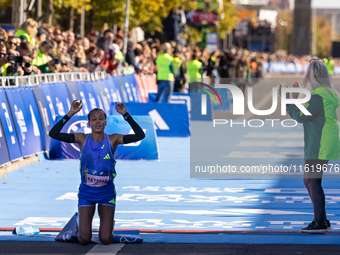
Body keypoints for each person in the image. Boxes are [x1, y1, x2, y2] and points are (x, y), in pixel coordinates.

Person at [49, 100, 145, 244]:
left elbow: (140, 135)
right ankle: (78, 225)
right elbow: (54, 133)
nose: (97, 122)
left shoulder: (114, 139)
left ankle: (108, 226)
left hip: (106, 193)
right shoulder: (82, 138)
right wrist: (70, 113)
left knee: (105, 239)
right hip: (86, 193)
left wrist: (125, 114)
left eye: (101, 119)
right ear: (89, 123)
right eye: (93, 119)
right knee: (84, 240)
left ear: (106, 122)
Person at [279, 58, 340, 233]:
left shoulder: (319, 95)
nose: (306, 76)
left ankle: (319, 222)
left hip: (320, 142)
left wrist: (288, 101)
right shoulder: (325, 92)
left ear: (314, 76)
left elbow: (301, 116)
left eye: (309, 73)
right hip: (321, 140)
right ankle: (322, 219)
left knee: (313, 181)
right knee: (308, 180)